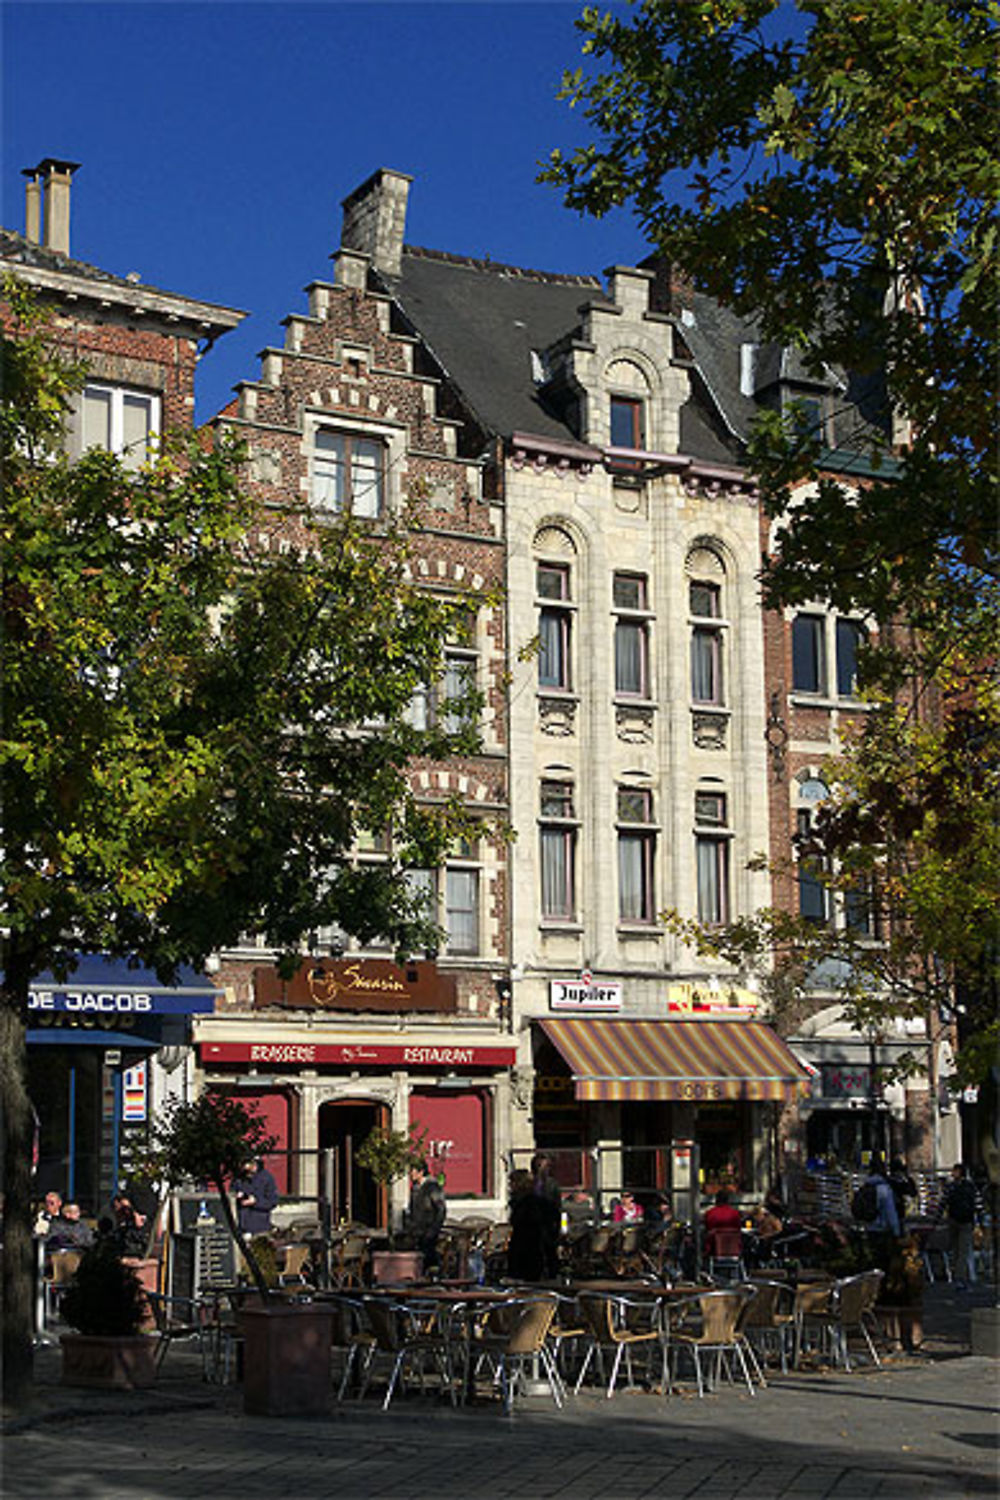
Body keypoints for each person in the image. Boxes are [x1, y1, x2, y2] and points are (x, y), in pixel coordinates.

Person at [937, 1162, 978, 1289]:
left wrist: (937, 1217)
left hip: (953, 1219)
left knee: (955, 1249)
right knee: (963, 1251)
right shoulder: (971, 1187)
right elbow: (978, 1203)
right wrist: (979, 1220)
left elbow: (943, 1203)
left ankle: (955, 1275)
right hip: (966, 1221)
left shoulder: (950, 1187)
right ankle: (961, 1277)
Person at [506, 1168, 547, 1281]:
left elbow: (526, 1223)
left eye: (512, 1182)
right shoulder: (524, 1202)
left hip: (528, 1247)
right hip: (525, 1245)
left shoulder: (528, 1203)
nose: (510, 1186)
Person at [407, 1159, 446, 1275]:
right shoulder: (415, 1188)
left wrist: (434, 1230)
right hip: (417, 1231)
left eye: (412, 1171)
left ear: (421, 1172)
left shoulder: (432, 1187)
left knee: (430, 1258)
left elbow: (440, 1209)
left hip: (429, 1231)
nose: (410, 1174)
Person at [531, 1152, 562, 1279]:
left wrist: (558, 1227)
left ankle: (552, 1275)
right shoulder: (530, 1183)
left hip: (548, 1225)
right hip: (532, 1225)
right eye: (540, 1166)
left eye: (545, 1166)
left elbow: (557, 1207)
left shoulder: (552, 1184)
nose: (543, 1169)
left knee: (550, 1252)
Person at [233, 1157, 279, 1237]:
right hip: (242, 1226)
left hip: (259, 1227)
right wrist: (237, 1196)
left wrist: (255, 1202)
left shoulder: (266, 1178)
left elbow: (272, 1202)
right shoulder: (239, 1179)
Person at [888, 1156, 918, 1228]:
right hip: (900, 1209)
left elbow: (913, 1192)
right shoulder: (903, 1181)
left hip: (890, 1211)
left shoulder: (888, 1181)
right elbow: (913, 1193)